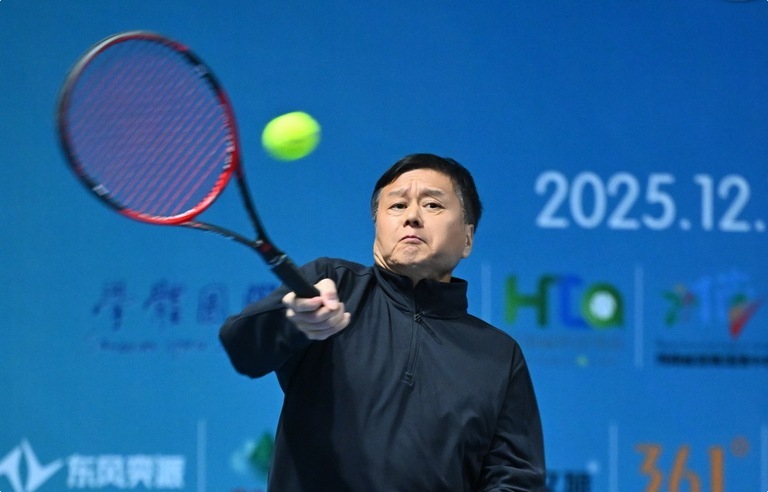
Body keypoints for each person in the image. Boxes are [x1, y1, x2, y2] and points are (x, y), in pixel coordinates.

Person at [219, 153, 546, 491]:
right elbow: (241, 348)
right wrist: (293, 322)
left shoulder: (499, 355)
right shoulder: (330, 285)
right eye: (397, 206)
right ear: (377, 226)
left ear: (467, 238)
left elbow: (515, 478)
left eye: (432, 205)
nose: (412, 217)